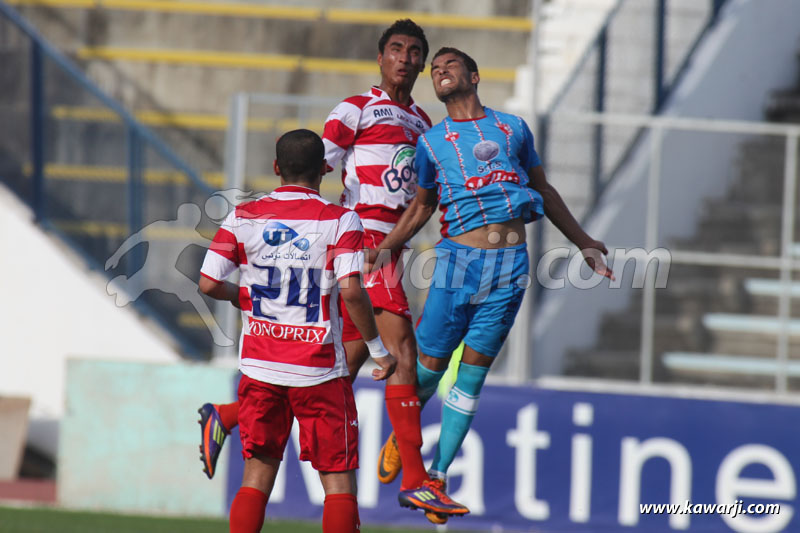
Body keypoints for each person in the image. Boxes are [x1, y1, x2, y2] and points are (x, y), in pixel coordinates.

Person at [197, 19, 469, 521]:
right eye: (396, 49)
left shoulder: (423, 125)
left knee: (351, 358)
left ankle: (228, 416)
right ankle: (415, 479)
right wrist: (325, 235)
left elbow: (423, 195)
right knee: (401, 350)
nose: (405, 59)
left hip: (389, 248)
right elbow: (318, 167)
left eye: (414, 52)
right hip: (361, 243)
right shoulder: (354, 109)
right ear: (381, 57)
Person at [368, 47, 615, 504]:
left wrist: (583, 241)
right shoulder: (431, 143)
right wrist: (386, 248)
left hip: (512, 267)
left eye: (450, 66)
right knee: (428, 369)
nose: (440, 72)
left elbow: (542, 188)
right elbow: (422, 206)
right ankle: (405, 436)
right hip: (458, 264)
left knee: (472, 377)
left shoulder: (513, 128)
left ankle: (437, 477)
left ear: (474, 76)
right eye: (435, 69)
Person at [198, 129, 397, 533]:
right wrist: (378, 348)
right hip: (319, 368)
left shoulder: (243, 216)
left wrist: (243, 297)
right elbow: (351, 292)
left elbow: (207, 283)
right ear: (324, 170)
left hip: (260, 366)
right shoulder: (342, 220)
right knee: (338, 482)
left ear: (276, 168)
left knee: (257, 476)